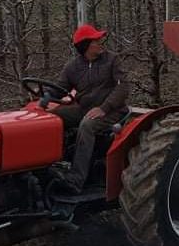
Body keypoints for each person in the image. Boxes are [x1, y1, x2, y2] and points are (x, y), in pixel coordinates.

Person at [48, 24, 129, 194]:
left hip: (112, 110)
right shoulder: (73, 67)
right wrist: (44, 96)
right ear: (86, 46)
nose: (101, 42)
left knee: (87, 125)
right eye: (96, 40)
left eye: (100, 39)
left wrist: (104, 108)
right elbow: (59, 87)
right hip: (83, 108)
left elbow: (123, 88)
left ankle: (76, 180)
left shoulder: (112, 60)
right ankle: (48, 168)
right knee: (52, 119)